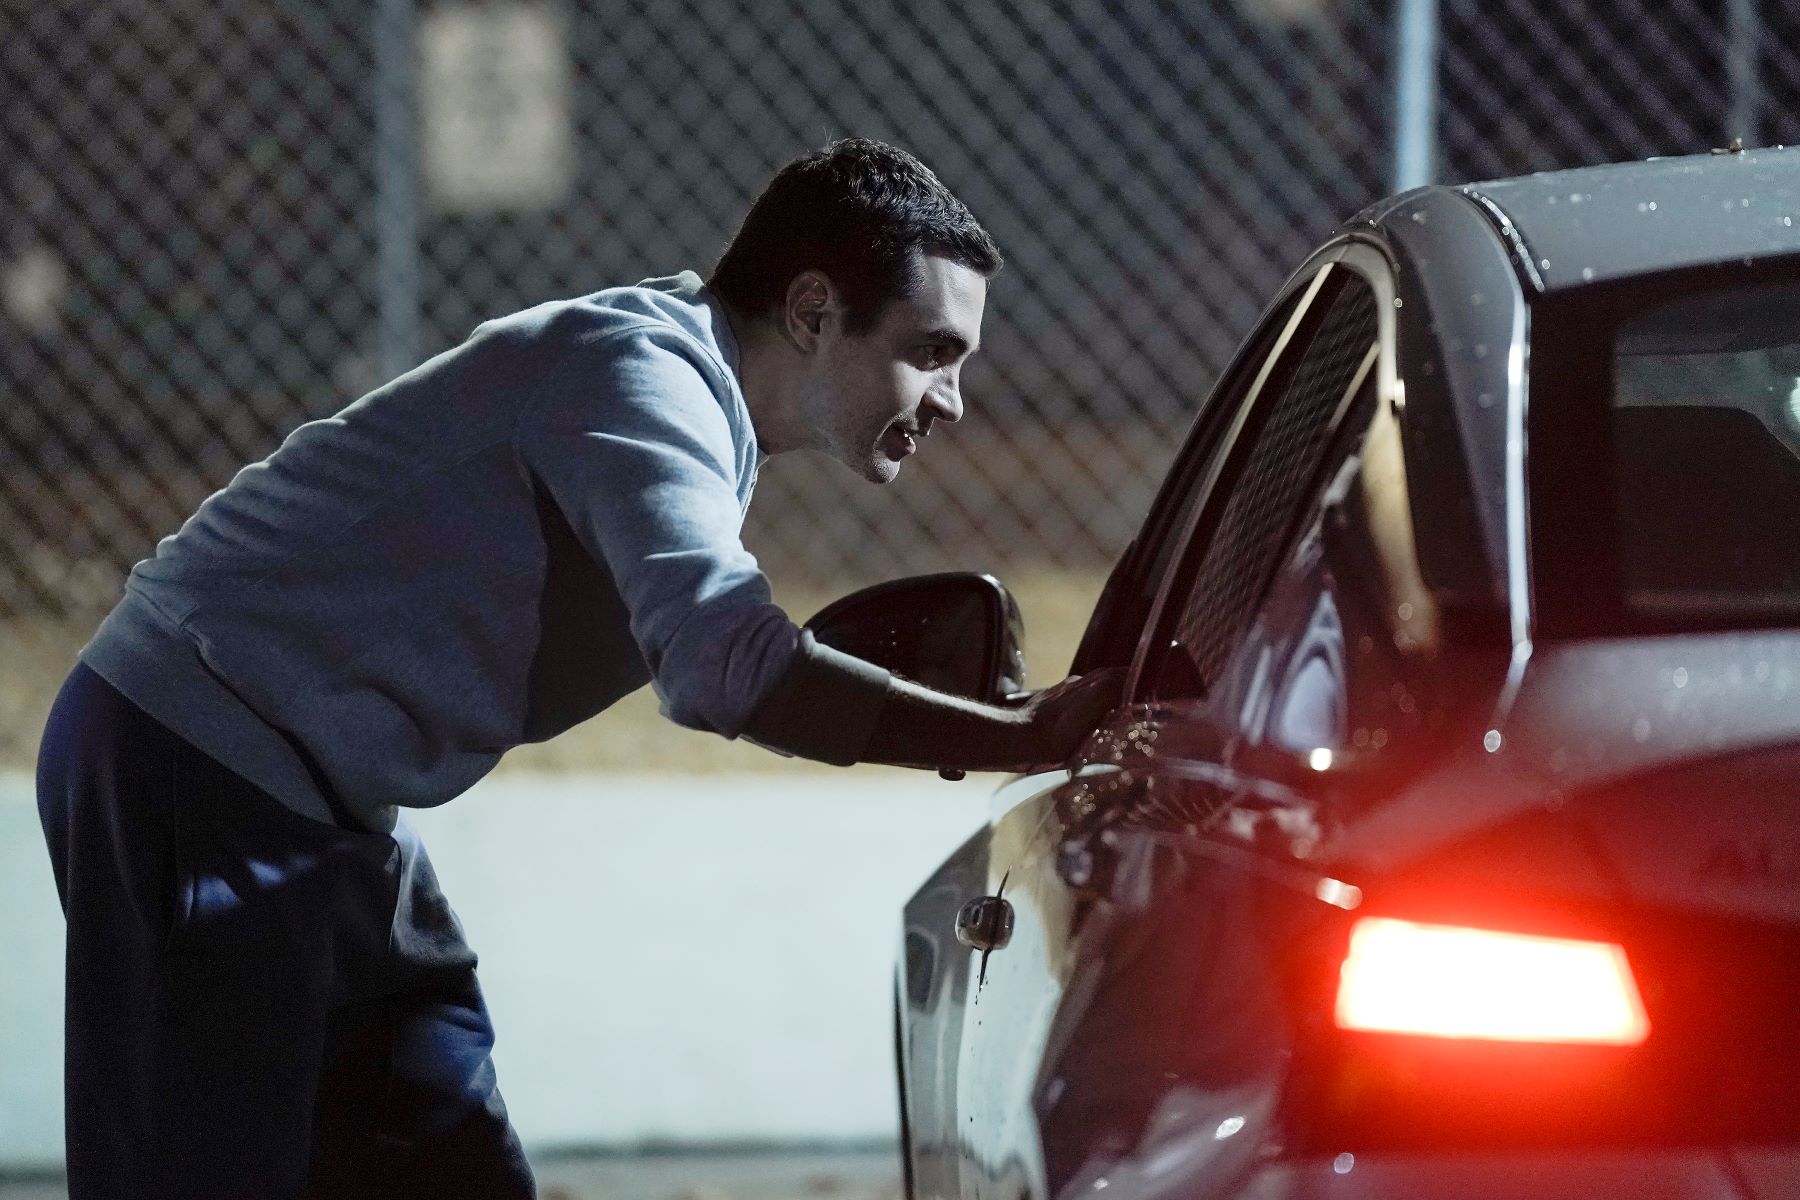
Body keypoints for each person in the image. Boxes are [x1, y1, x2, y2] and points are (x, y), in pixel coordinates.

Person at [35, 137, 1121, 1198]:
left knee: (445, 1141)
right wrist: (1018, 739)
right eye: (932, 351)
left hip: (333, 809)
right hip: (198, 762)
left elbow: (723, 655)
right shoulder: (643, 378)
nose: (953, 400)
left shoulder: (682, 396)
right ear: (811, 312)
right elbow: (728, 670)